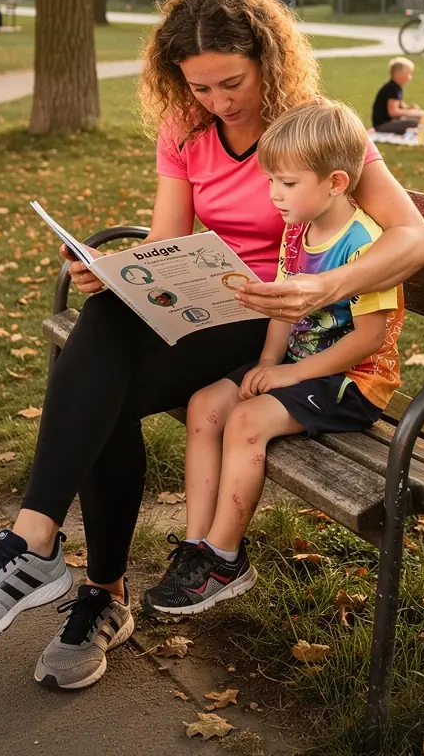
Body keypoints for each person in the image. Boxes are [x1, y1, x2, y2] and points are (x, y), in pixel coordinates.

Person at [0, 0, 424, 693]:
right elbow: (166, 244)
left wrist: (324, 286)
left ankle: (69, 572)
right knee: (103, 328)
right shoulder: (185, 130)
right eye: (200, 87)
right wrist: (118, 274)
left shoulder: (310, 130)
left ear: (268, 60)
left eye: (234, 82)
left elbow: (416, 238)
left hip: (279, 319)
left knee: (100, 380)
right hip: (208, 309)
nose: (220, 102)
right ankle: (61, 563)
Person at [141, 100, 403, 616]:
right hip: (300, 365)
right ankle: (196, 546)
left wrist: (287, 373)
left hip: (350, 381)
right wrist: (263, 364)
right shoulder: (296, 230)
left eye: (285, 183)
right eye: (270, 182)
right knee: (206, 405)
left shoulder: (366, 246)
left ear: (334, 182)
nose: (273, 195)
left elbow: (369, 340)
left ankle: (224, 559)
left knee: (244, 422)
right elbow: (285, 305)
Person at [371, 57, 424, 134]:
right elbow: (393, 112)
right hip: (383, 125)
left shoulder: (395, 87)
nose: (410, 77)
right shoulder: (392, 88)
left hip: (387, 122)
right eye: (408, 74)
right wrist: (413, 113)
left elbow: (400, 106)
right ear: (399, 74)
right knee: (415, 122)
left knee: (416, 118)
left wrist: (410, 109)